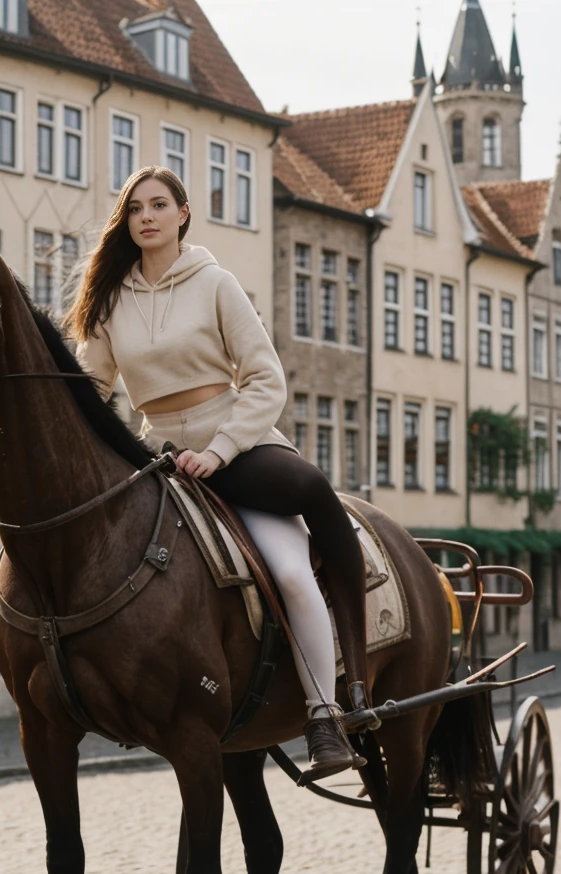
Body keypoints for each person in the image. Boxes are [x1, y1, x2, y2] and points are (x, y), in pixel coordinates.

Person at [66, 165, 367, 782]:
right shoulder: (110, 299)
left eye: (158, 205)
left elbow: (265, 379)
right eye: (134, 209)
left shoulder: (216, 283)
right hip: (161, 458)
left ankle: (327, 708)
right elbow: (91, 388)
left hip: (238, 445)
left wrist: (222, 450)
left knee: (291, 564)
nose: (145, 217)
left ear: (183, 215)